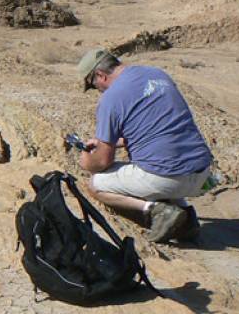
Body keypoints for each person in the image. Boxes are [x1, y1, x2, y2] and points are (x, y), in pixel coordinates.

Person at [76, 48, 213, 243]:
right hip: (202, 171)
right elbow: (157, 126)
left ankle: (157, 211)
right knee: (156, 168)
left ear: (100, 75)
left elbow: (102, 161)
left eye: (93, 84)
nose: (97, 89)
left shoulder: (111, 98)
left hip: (169, 177)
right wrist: (115, 142)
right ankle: (186, 219)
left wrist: (87, 160)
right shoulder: (156, 74)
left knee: (96, 184)